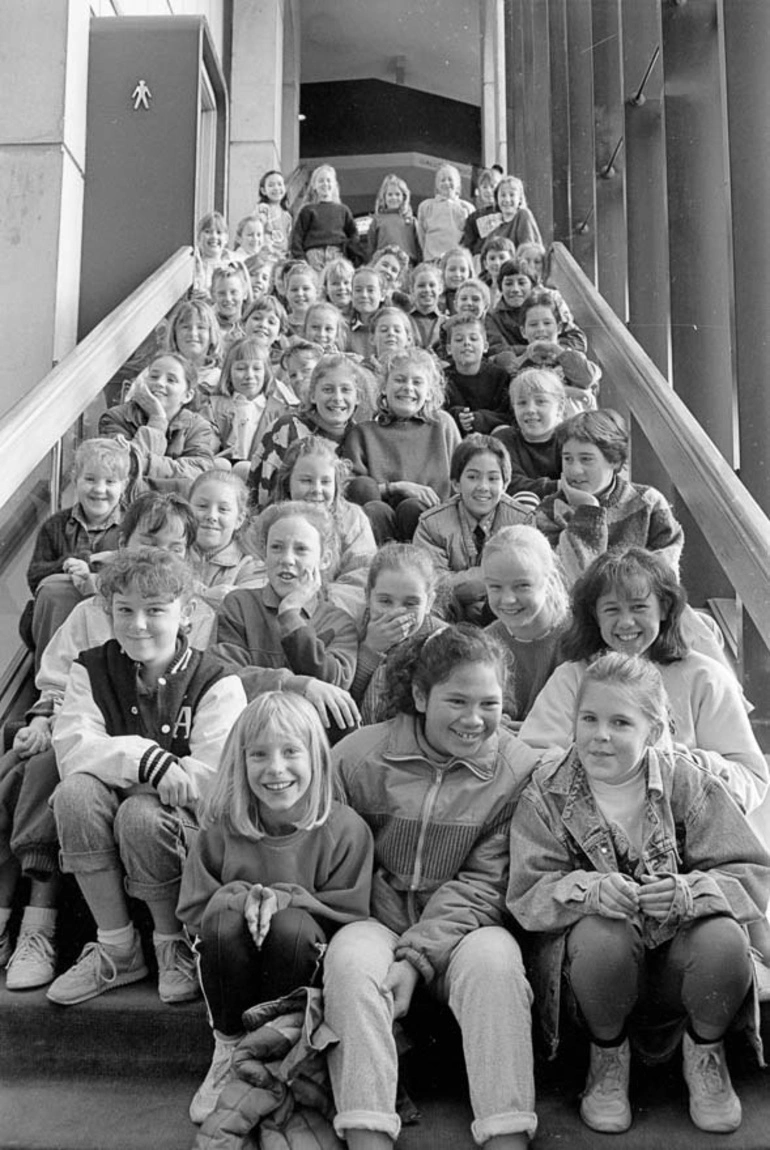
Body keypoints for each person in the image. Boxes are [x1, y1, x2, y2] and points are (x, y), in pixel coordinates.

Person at [508, 652, 770, 1135]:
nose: (600, 735)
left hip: (682, 966)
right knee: (603, 933)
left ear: (652, 732)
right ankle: (608, 1059)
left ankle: (705, 1052)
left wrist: (691, 892)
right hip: (594, 977)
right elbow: (527, 893)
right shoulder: (546, 792)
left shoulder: (686, 782)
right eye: (589, 719)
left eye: (620, 722)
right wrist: (587, 890)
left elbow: (751, 873)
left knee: (725, 939)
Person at [324, 624, 540, 1149]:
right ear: (421, 696)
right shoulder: (357, 757)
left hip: (465, 928)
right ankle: (367, 1131)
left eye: (489, 702)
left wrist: (418, 959)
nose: (473, 719)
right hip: (374, 918)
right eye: (457, 700)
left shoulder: (518, 770)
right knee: (351, 964)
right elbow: (332, 857)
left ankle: (506, 1133)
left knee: (496, 962)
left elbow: (488, 882)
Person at [0, 493, 208, 993]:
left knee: (124, 806)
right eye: (148, 541)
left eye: (175, 546)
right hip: (88, 744)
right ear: (121, 543)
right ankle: (43, 926)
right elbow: (62, 696)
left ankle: (163, 943)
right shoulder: (92, 631)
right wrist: (42, 716)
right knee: (39, 772)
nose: (159, 554)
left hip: (159, 790)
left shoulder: (196, 629)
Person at [46, 549, 247, 1006]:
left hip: (187, 833)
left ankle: (171, 942)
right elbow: (74, 747)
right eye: (125, 610)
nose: (138, 624)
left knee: (140, 812)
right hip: (114, 811)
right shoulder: (90, 668)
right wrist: (150, 764)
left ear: (187, 613)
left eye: (155, 610)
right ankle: (118, 947)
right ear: (108, 611)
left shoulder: (217, 679)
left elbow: (213, 778)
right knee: (74, 793)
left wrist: (144, 784)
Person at [177, 691, 374, 1124]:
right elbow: (193, 909)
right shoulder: (221, 828)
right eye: (259, 755)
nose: (276, 768)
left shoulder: (345, 830)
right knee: (225, 924)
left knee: (293, 929)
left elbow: (350, 914)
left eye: (291, 752)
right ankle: (229, 1048)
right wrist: (243, 898)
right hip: (234, 969)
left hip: (297, 967)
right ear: (240, 763)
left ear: (316, 759)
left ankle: (277, 1050)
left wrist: (284, 900)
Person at [519, 548, 768, 815]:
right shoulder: (571, 677)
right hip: (589, 829)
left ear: (664, 608)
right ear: (595, 615)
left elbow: (751, 778)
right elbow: (531, 762)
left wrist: (670, 764)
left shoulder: (705, 678)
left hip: (687, 830)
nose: (626, 622)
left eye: (639, 607)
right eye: (611, 609)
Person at [210, 502, 359, 733]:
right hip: (247, 729)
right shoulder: (239, 604)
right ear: (265, 554)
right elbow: (223, 673)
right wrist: (292, 684)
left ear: (325, 559)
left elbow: (334, 686)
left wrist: (291, 615)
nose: (287, 559)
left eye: (301, 549)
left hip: (310, 736)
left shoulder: (339, 622)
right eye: (277, 547)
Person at [536, 410, 684, 584]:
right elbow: (576, 580)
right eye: (567, 459)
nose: (574, 470)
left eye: (586, 459)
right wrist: (588, 512)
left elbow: (664, 573)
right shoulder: (549, 510)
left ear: (614, 461)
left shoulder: (647, 501)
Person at [22, 437, 130, 669]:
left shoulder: (132, 528)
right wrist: (67, 565)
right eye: (90, 479)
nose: (99, 489)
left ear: (124, 485)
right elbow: (34, 577)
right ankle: (50, 683)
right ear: (75, 479)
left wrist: (91, 570)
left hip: (107, 623)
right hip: (61, 621)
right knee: (54, 592)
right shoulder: (55, 525)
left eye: (110, 481)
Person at [342, 347, 461, 543]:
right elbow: (351, 491)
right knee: (374, 509)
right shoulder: (362, 432)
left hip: (432, 529)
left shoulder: (443, 425)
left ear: (429, 393)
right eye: (399, 380)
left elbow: (461, 480)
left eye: (417, 382)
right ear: (384, 388)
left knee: (412, 507)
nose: (408, 387)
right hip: (377, 530)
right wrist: (397, 487)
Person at [413, 435, 533, 623]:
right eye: (472, 477)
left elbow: (525, 577)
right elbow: (435, 585)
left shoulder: (522, 521)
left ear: (506, 484)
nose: (483, 487)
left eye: (493, 478)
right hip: (450, 612)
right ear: (456, 483)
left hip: (503, 611)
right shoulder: (432, 524)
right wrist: (493, 577)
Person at [248, 353, 372, 508]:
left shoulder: (361, 436)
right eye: (327, 390)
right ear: (312, 395)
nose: (337, 398)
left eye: (346, 390)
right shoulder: (287, 428)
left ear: (358, 397)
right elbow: (264, 494)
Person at [482, 525, 570, 725]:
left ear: (549, 579)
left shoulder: (576, 637)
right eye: (495, 587)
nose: (508, 599)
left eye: (522, 586)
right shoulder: (486, 642)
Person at [99, 351, 217, 497]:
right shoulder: (115, 417)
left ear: (188, 396)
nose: (159, 383)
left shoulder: (198, 426)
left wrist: (143, 463)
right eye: (154, 376)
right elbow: (118, 467)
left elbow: (199, 472)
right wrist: (157, 419)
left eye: (171, 380)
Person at [268, 435, 376, 593]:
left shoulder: (353, 518)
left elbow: (361, 576)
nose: (317, 490)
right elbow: (255, 572)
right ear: (287, 482)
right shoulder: (271, 518)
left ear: (336, 484)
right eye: (306, 481)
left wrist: (317, 600)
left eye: (325, 482)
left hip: (332, 607)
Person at [351, 542, 443, 724]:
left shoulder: (441, 638)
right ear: (368, 596)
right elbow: (346, 696)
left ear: (429, 602)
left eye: (410, 604)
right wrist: (371, 648)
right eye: (385, 601)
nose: (396, 612)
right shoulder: (352, 629)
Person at [505, 288, 599, 413]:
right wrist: (572, 392)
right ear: (523, 332)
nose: (541, 329)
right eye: (533, 325)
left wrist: (556, 349)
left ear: (559, 327)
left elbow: (587, 378)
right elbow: (524, 396)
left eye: (547, 323)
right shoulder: (520, 364)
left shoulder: (571, 356)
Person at [200, 337, 279, 475]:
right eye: (241, 368)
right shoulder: (214, 406)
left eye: (256, 368)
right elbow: (205, 446)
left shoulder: (278, 411)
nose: (249, 375)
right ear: (228, 373)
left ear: (266, 373)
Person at [188, 470, 264, 609]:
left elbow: (248, 611)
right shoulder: (167, 551)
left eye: (223, 509)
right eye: (202, 506)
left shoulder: (251, 566)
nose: (211, 516)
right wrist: (205, 594)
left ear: (239, 519)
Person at [493, 368, 567, 499]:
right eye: (522, 403)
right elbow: (508, 483)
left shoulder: (570, 440)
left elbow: (578, 481)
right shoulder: (503, 440)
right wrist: (557, 486)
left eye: (541, 401)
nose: (530, 410)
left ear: (560, 407)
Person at [442, 314, 512, 435]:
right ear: (449, 349)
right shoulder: (442, 379)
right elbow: (438, 413)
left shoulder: (500, 376)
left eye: (473, 339)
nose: (466, 343)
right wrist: (457, 416)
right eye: (459, 340)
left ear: (485, 347)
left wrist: (480, 419)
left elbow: (508, 415)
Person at [290, 164, 363, 270]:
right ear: (314, 186)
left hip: (337, 253)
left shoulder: (343, 210)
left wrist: (350, 252)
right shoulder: (308, 210)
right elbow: (297, 236)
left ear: (334, 185)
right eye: (321, 181)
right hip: (313, 254)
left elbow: (353, 233)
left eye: (329, 180)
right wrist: (300, 258)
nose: (325, 184)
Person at [463, 174, 541, 258]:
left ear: (520, 199)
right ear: (497, 199)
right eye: (503, 195)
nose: (507, 200)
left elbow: (528, 251)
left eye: (512, 195)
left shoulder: (523, 215)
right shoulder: (495, 229)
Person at [163, 297, 223, 399]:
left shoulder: (221, 380)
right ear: (174, 334)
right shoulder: (157, 373)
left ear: (212, 335)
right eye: (185, 327)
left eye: (201, 327)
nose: (193, 333)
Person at [415, 163, 474, 262]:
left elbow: (471, 237)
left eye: (450, 179)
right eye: (442, 180)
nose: (446, 183)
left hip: (457, 260)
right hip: (432, 259)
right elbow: (421, 236)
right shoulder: (426, 206)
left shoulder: (467, 207)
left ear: (458, 184)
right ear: (436, 186)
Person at [366, 174, 420, 264]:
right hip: (384, 262)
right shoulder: (377, 220)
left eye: (397, 194)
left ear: (404, 197)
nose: (394, 198)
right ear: (384, 197)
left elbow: (418, 248)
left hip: (408, 264)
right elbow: (371, 247)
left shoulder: (411, 221)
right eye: (390, 194)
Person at [193, 211, 242, 294]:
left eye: (219, 232)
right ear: (198, 237)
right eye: (208, 231)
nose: (214, 236)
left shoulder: (233, 266)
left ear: (226, 238)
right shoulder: (193, 265)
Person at [347, 266, 386, 358]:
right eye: (358, 290)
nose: (364, 295)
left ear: (382, 294)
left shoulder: (391, 327)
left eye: (370, 290)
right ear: (351, 294)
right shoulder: (345, 329)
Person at [255, 169, 293, 261]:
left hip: (283, 257)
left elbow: (288, 237)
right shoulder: (263, 208)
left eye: (280, 184)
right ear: (263, 190)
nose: (276, 188)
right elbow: (260, 225)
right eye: (271, 185)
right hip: (267, 257)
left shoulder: (287, 215)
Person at [210, 262, 251, 347]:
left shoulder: (251, 326)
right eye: (221, 293)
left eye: (234, 292)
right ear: (213, 295)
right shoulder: (209, 327)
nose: (228, 298)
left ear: (245, 293)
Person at [407, 262, 446, 350]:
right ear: (412, 289)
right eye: (421, 286)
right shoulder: (403, 321)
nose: (427, 290)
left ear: (440, 288)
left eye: (432, 285)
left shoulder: (448, 323)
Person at [242, 295, 289, 364]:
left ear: (279, 334)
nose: (263, 325)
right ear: (244, 324)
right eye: (257, 318)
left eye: (271, 322)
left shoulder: (284, 362)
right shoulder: (232, 355)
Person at [283, 261, 321, 336]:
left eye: (306, 288)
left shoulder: (325, 323)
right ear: (286, 293)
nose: (300, 294)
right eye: (294, 289)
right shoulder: (282, 324)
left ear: (317, 292)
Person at [438, 246, 475, 315]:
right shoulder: (436, 302)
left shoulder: (476, 301)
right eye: (452, 269)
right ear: (443, 272)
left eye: (463, 270)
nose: (457, 274)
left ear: (470, 273)